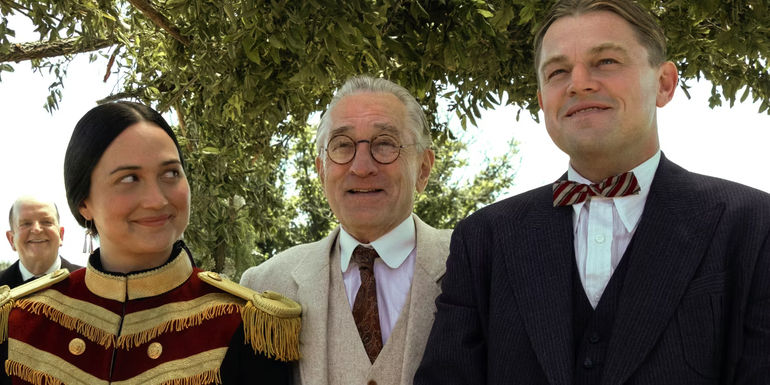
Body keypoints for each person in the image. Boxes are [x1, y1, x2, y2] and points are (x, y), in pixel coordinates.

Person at [416, 0, 770, 383]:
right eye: (558, 71)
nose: (579, 83)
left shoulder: (754, 225)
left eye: (606, 62)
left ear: (664, 83)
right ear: (542, 101)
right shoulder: (483, 238)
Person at [0, 101, 300, 384]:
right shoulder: (19, 321)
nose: (157, 200)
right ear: (83, 203)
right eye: (129, 178)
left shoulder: (246, 325)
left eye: (171, 173)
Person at [240, 75, 452, 385]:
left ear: (423, 168)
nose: (361, 167)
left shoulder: (472, 266)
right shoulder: (265, 285)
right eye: (342, 146)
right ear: (321, 171)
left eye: (384, 144)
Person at [2, 196, 81, 288]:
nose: (37, 229)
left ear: (60, 235)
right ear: (11, 239)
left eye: (46, 222)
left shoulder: (88, 284)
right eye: (26, 223)